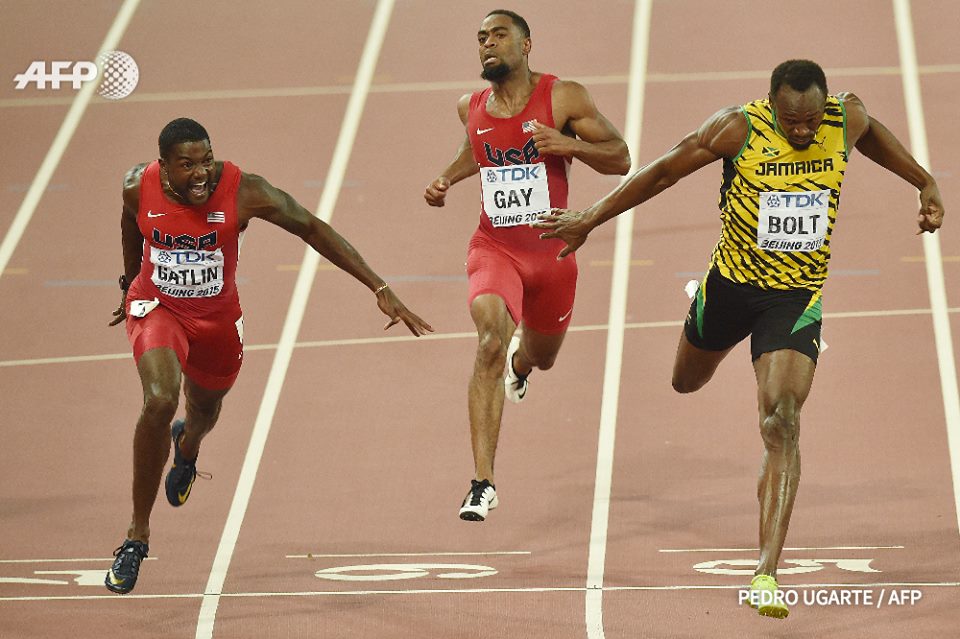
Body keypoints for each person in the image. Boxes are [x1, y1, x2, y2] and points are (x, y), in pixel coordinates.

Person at [535, 59, 944, 617]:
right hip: (729, 288)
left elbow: (870, 136)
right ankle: (698, 305)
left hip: (794, 299)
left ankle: (766, 574)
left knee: (781, 419)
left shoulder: (843, 117)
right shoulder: (737, 129)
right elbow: (661, 173)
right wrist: (591, 218)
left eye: (809, 120)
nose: (801, 130)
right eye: (791, 119)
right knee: (684, 382)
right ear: (772, 103)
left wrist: (924, 181)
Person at [104, 118, 433, 594]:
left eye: (207, 161)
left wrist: (379, 287)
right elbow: (130, 222)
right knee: (159, 400)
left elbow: (312, 228)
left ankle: (189, 447)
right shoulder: (139, 186)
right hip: (159, 308)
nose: (201, 175)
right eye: (187, 165)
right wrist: (127, 281)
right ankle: (136, 537)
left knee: (204, 411)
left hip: (217, 322)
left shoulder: (245, 191)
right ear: (163, 167)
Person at [424, 9, 630, 522]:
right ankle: (482, 483)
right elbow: (479, 148)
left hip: (553, 255)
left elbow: (621, 156)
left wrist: (567, 145)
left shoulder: (563, 97)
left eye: (498, 35)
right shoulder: (469, 106)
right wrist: (447, 178)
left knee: (542, 355)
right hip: (494, 248)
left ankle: (522, 366)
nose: (487, 44)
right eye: (480, 38)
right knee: (489, 337)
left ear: (526, 44)